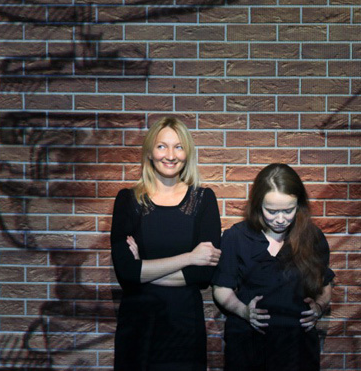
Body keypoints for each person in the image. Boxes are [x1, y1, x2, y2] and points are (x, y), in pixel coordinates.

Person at [110, 116, 222, 370]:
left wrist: (143, 268)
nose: (170, 155)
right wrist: (189, 258)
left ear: (187, 153)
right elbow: (126, 273)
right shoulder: (128, 200)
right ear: (150, 153)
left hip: (184, 325)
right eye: (162, 146)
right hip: (138, 327)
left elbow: (202, 275)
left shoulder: (204, 199)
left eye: (178, 147)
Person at [212, 163, 335, 371]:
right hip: (249, 345)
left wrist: (320, 306)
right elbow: (221, 288)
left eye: (288, 210)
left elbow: (325, 283)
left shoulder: (312, 237)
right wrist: (243, 311)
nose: (280, 219)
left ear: (299, 205)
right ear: (258, 205)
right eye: (271, 211)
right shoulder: (236, 237)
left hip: (297, 349)